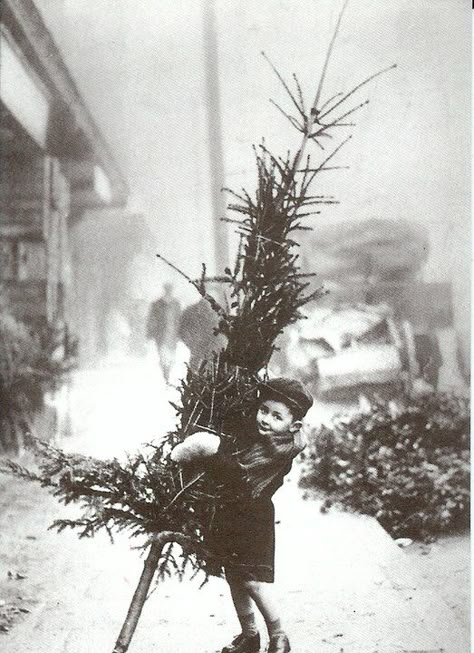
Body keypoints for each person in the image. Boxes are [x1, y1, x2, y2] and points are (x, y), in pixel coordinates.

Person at [206, 377, 313, 653]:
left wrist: (211, 451)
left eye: (277, 416)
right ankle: (249, 635)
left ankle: (279, 636)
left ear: (294, 426)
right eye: (263, 410)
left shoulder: (282, 446)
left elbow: (240, 473)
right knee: (234, 576)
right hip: (234, 513)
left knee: (253, 581)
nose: (265, 419)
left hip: (253, 519)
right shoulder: (257, 435)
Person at [178, 292, 226, 371]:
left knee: (211, 371)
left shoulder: (218, 312)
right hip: (197, 348)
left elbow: (224, 330)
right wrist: (191, 343)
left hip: (212, 348)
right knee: (196, 371)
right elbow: (182, 329)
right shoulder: (190, 311)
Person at [146, 283, 181, 382]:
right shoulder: (157, 304)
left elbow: (179, 319)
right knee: (162, 354)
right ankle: (165, 373)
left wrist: (180, 333)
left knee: (172, 355)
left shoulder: (176, 303)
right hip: (161, 334)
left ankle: (168, 369)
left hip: (173, 334)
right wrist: (150, 333)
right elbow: (151, 319)